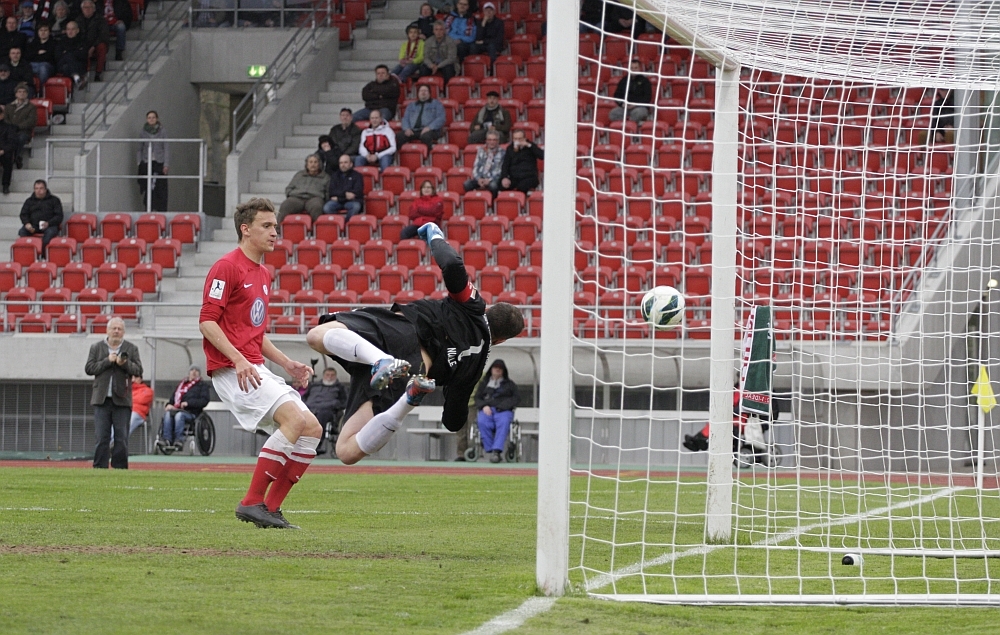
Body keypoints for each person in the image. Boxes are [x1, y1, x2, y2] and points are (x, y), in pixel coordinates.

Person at [304, 221, 525, 466]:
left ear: (490, 310)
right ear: (501, 340)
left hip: (395, 329)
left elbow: (452, 264)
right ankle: (406, 402)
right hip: (411, 368)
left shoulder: (473, 306)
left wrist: (434, 235)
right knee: (346, 451)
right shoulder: (475, 367)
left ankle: (380, 360)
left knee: (316, 335)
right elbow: (453, 421)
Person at [200, 197, 323, 529]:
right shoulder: (226, 267)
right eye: (266, 226)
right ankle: (251, 502)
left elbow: (253, 332)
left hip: (253, 366)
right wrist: (238, 359)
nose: (274, 233)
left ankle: (269, 509)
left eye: (275, 226)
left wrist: (286, 363)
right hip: (233, 370)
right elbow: (207, 322)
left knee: (312, 428)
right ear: (245, 229)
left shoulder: (264, 273)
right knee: (294, 420)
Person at [85, 316, 143, 469]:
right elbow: (89, 368)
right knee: (101, 437)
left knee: (121, 437)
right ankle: (99, 467)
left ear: (123, 332)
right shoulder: (96, 347)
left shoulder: (131, 348)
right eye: (114, 328)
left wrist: (124, 364)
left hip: (122, 400)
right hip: (101, 399)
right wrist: (107, 361)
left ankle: (120, 468)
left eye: (119, 329)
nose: (116, 331)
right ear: (107, 330)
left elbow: (138, 370)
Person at [474, 358, 519, 463]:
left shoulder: (510, 384)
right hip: (487, 410)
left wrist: (503, 406)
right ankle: (490, 449)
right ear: (491, 369)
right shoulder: (484, 384)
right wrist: (484, 406)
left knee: (503, 422)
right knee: (482, 421)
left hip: (504, 411)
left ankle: (496, 450)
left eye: (500, 368)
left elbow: (516, 398)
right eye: (495, 367)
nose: (497, 370)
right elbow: (477, 398)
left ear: (503, 371)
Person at [158, 364, 211, 453]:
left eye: (196, 370)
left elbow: (204, 401)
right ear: (189, 372)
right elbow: (172, 399)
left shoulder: (202, 386)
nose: (194, 372)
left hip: (192, 412)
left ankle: (179, 440)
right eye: (192, 370)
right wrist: (169, 405)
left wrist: (188, 403)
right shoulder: (181, 385)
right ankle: (167, 440)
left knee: (179, 416)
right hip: (177, 410)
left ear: (199, 374)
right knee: (167, 414)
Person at [302, 367, 348, 454]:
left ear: (335, 376)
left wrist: (336, 404)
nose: (329, 377)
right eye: (327, 375)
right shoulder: (314, 386)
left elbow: (345, 402)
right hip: (310, 408)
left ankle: (316, 444)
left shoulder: (340, 388)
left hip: (328, 410)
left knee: (322, 416)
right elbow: (304, 397)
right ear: (323, 376)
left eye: (332, 375)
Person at [277, 153, 329, 221]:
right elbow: (289, 187)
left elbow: (328, 192)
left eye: (315, 162)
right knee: (285, 205)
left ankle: (316, 227)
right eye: (310, 162)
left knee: (317, 207)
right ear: (307, 164)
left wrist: (324, 200)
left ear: (319, 164)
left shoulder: (325, 177)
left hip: (314, 198)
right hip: (297, 197)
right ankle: (277, 227)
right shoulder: (299, 175)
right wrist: (290, 194)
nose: (313, 164)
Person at [136, 110, 169, 212]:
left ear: (157, 119)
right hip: (147, 162)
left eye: (153, 117)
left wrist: (166, 164)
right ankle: (148, 208)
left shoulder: (162, 131)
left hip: (159, 162)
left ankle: (160, 209)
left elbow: (166, 148)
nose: (151, 119)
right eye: (149, 118)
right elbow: (139, 148)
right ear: (147, 119)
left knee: (160, 186)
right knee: (148, 186)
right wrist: (139, 162)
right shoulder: (143, 132)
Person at [396, 84, 445, 149]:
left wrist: (429, 127)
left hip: (431, 130)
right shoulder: (411, 105)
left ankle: (427, 154)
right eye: (421, 91)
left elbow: (441, 119)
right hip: (413, 130)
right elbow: (405, 119)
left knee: (426, 137)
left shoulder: (437, 104)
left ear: (429, 93)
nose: (423, 92)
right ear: (418, 93)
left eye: (425, 91)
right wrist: (407, 128)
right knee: (399, 136)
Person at [18, 179, 62, 245]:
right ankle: (29, 250)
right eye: (36, 188)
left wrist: (48, 223)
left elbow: (59, 216)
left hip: (50, 225)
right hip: (33, 225)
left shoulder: (54, 200)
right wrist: (27, 223)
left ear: (45, 189)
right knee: (22, 232)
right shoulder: (29, 201)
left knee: (49, 234)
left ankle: (42, 251)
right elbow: (23, 214)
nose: (38, 191)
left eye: (41, 188)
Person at [609, 58, 653, 124]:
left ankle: (632, 127)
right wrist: (622, 104)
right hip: (625, 107)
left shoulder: (645, 81)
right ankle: (624, 126)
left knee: (637, 113)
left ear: (639, 69)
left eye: (636, 68)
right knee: (613, 113)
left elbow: (647, 98)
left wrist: (635, 104)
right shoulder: (624, 80)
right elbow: (617, 95)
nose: (633, 70)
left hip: (640, 107)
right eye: (632, 68)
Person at [499, 129, 544, 193]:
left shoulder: (531, 146)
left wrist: (528, 145)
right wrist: (504, 177)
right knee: (500, 185)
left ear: (524, 138)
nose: (517, 141)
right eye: (515, 139)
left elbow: (542, 155)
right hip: (514, 177)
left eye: (520, 139)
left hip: (529, 176)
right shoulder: (510, 148)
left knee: (522, 187)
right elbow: (505, 165)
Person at [76, 0, 110, 81]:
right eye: (85, 7)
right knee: (82, 50)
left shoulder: (101, 19)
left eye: (90, 7)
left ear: (94, 9)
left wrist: (93, 46)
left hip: (96, 44)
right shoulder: (77, 20)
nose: (87, 9)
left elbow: (103, 35)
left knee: (102, 47)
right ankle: (85, 75)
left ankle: (98, 73)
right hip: (83, 45)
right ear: (82, 9)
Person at [463, 129, 504, 195]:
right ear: (486, 140)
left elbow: (500, 171)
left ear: (498, 141)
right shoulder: (481, 150)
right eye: (489, 140)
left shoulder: (502, 153)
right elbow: (476, 166)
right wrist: (478, 179)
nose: (492, 142)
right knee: (467, 184)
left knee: (493, 186)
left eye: (494, 140)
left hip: (493, 179)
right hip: (481, 178)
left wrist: (489, 180)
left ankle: (492, 201)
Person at [323, 153, 364, 219]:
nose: (343, 165)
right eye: (341, 163)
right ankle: (339, 222)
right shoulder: (334, 176)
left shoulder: (357, 176)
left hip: (352, 202)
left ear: (351, 164)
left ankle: (347, 223)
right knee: (327, 207)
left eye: (345, 162)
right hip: (338, 202)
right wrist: (345, 195)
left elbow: (358, 192)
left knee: (356, 207)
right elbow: (332, 192)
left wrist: (339, 197)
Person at [6, 83, 35, 168]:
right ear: (16, 94)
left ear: (27, 94)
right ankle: (15, 158)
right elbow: (6, 119)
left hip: (23, 131)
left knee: (20, 138)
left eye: (24, 92)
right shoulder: (9, 106)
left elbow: (31, 121)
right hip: (10, 130)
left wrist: (18, 126)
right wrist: (11, 127)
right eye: (19, 91)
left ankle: (15, 157)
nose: (22, 93)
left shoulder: (31, 107)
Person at [54, 21, 89, 86]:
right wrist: (74, 52)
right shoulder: (61, 41)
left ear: (77, 30)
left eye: (72, 29)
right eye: (68, 29)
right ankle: (76, 77)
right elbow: (57, 56)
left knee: (67, 64)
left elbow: (83, 55)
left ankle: (76, 78)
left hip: (78, 65)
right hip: (63, 65)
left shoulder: (82, 41)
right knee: (68, 57)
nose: (70, 32)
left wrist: (67, 52)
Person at [0, 106, 19, 193]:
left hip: (3, 151)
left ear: (2, 115)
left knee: (8, 159)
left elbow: (12, 143)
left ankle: (5, 185)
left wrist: (3, 151)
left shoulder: (9, 127)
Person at [129, 374, 153, 438]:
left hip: (138, 413)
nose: (133, 379)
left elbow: (142, 399)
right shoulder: (127, 389)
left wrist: (130, 399)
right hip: (126, 411)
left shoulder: (147, 390)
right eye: (132, 377)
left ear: (141, 379)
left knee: (129, 421)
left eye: (136, 377)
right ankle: (110, 441)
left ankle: (117, 441)